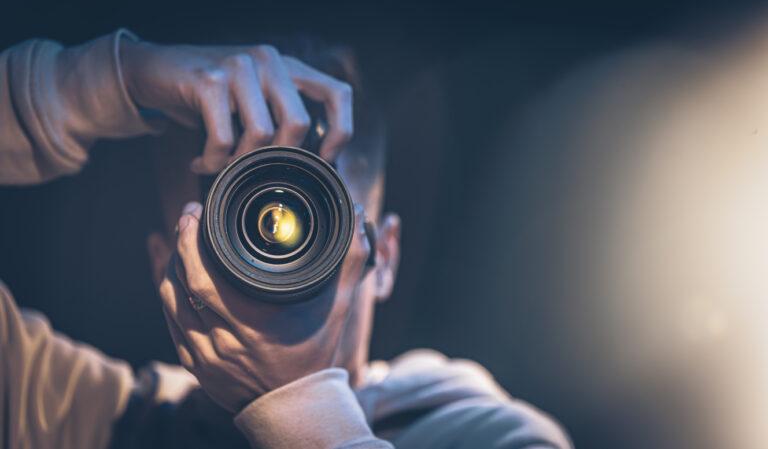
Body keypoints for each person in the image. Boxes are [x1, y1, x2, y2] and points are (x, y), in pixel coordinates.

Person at [0, 29, 572, 448]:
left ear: (385, 256)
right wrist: (107, 80)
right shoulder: (84, 420)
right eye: (235, 219)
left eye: (314, 218)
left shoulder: (494, 438)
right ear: (163, 267)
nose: (272, 253)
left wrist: (300, 409)